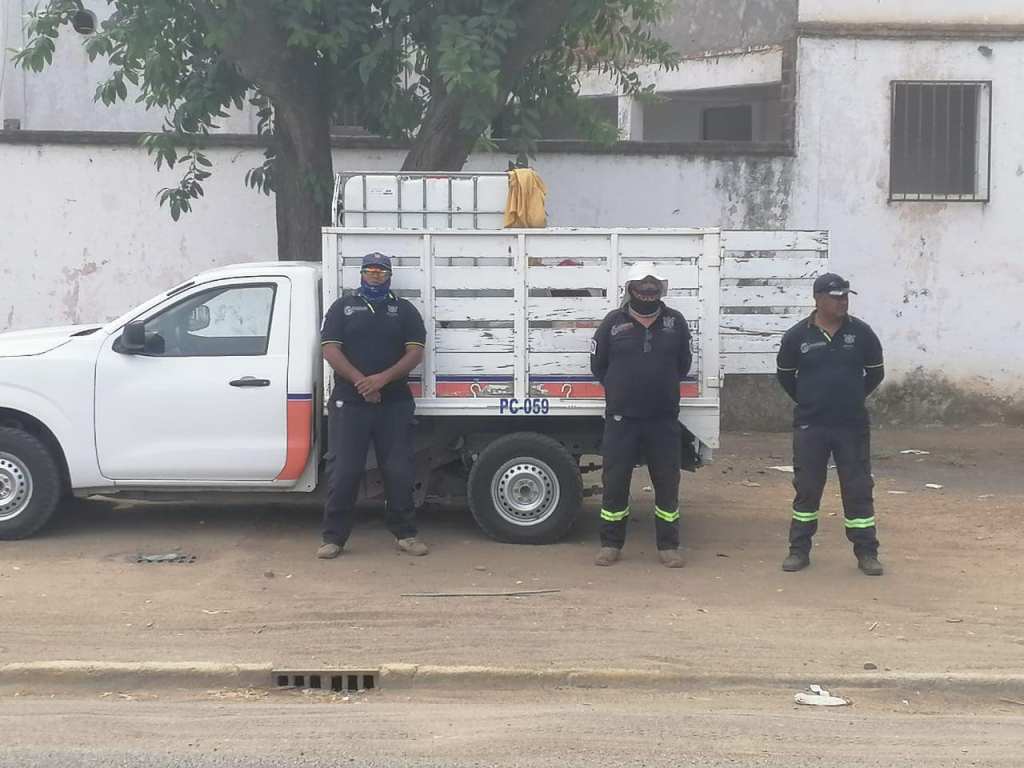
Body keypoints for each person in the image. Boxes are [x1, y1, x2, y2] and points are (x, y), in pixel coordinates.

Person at [317, 252, 428, 559]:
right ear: (361, 274)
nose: (375, 276)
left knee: (399, 470)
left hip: (394, 402)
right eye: (370, 271)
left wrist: (381, 380)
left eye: (381, 272)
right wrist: (361, 383)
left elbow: (415, 353)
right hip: (350, 401)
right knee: (344, 471)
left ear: (389, 276)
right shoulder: (342, 307)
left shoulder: (404, 310)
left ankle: (406, 534)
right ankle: (333, 538)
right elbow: (330, 350)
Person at [776, 273, 885, 576]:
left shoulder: (861, 333)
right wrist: (810, 400)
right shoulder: (797, 336)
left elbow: (875, 373)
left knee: (858, 488)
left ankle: (867, 553)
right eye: (836, 297)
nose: (843, 302)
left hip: (851, 425)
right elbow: (785, 376)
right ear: (818, 299)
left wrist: (851, 397)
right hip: (811, 425)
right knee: (807, 488)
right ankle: (799, 551)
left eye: (845, 296)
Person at [589, 262, 693, 568]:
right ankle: (610, 545)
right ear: (630, 290)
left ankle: (668, 546)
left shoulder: (676, 322)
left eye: (653, 287)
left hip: (663, 419)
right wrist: (623, 389)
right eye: (641, 287)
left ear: (660, 290)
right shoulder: (612, 323)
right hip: (622, 419)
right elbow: (598, 365)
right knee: (615, 482)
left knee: (667, 483)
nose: (648, 293)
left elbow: (683, 364)